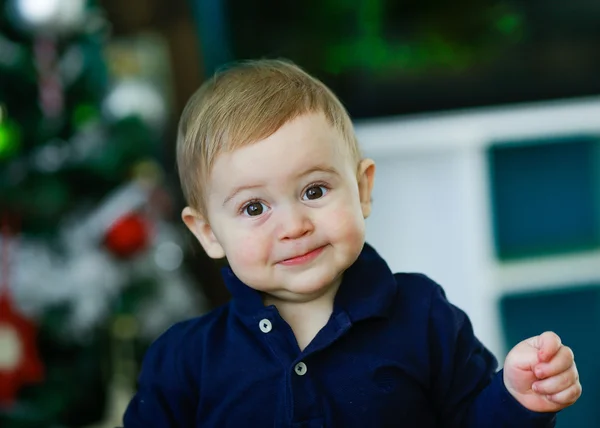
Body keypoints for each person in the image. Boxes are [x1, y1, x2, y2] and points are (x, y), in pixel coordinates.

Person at [123, 59, 581, 427]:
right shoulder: (184, 359)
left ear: (362, 189)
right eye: (254, 208)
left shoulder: (423, 315)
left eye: (314, 191)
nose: (294, 226)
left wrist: (518, 399)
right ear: (207, 232)